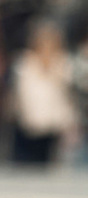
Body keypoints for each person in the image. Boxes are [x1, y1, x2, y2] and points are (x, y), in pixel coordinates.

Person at [9, 17, 79, 170]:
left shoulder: (63, 63)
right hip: (31, 124)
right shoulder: (25, 64)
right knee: (30, 167)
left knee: (53, 167)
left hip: (55, 124)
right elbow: (22, 95)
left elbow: (68, 95)